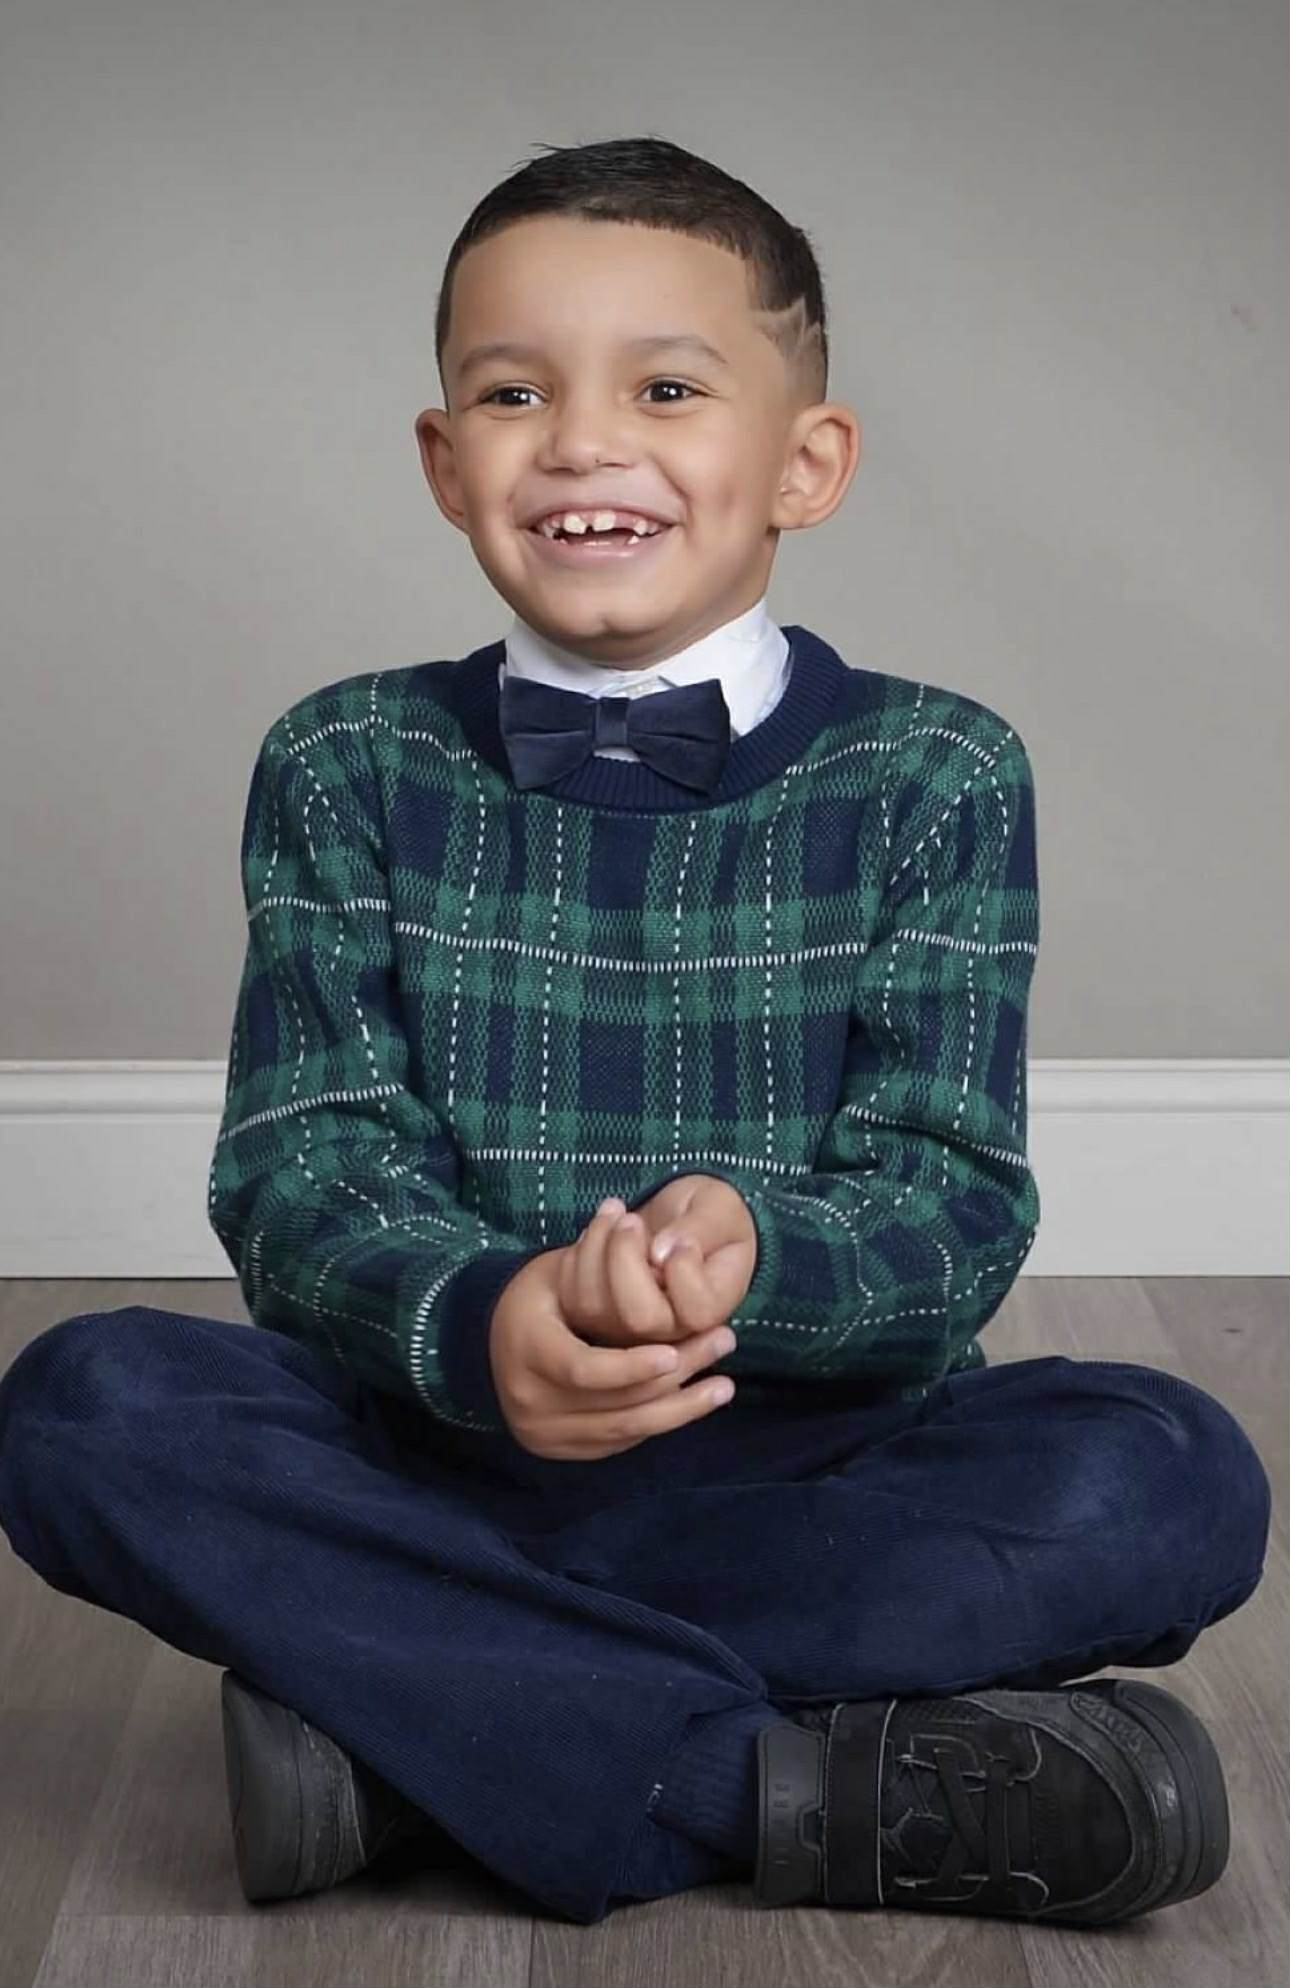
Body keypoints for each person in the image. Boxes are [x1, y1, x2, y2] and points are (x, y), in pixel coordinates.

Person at [0, 136, 1270, 1931]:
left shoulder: (937, 766)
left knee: (1172, 1477)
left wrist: (760, 1256)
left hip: (808, 1463)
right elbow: (305, 1169)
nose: (584, 441)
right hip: (440, 1457)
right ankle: (774, 1786)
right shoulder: (346, 759)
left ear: (803, 463)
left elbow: (950, 1203)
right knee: (81, 1409)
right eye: (514, 393)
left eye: (667, 387)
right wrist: (487, 1320)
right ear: (447, 463)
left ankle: (417, 1729)